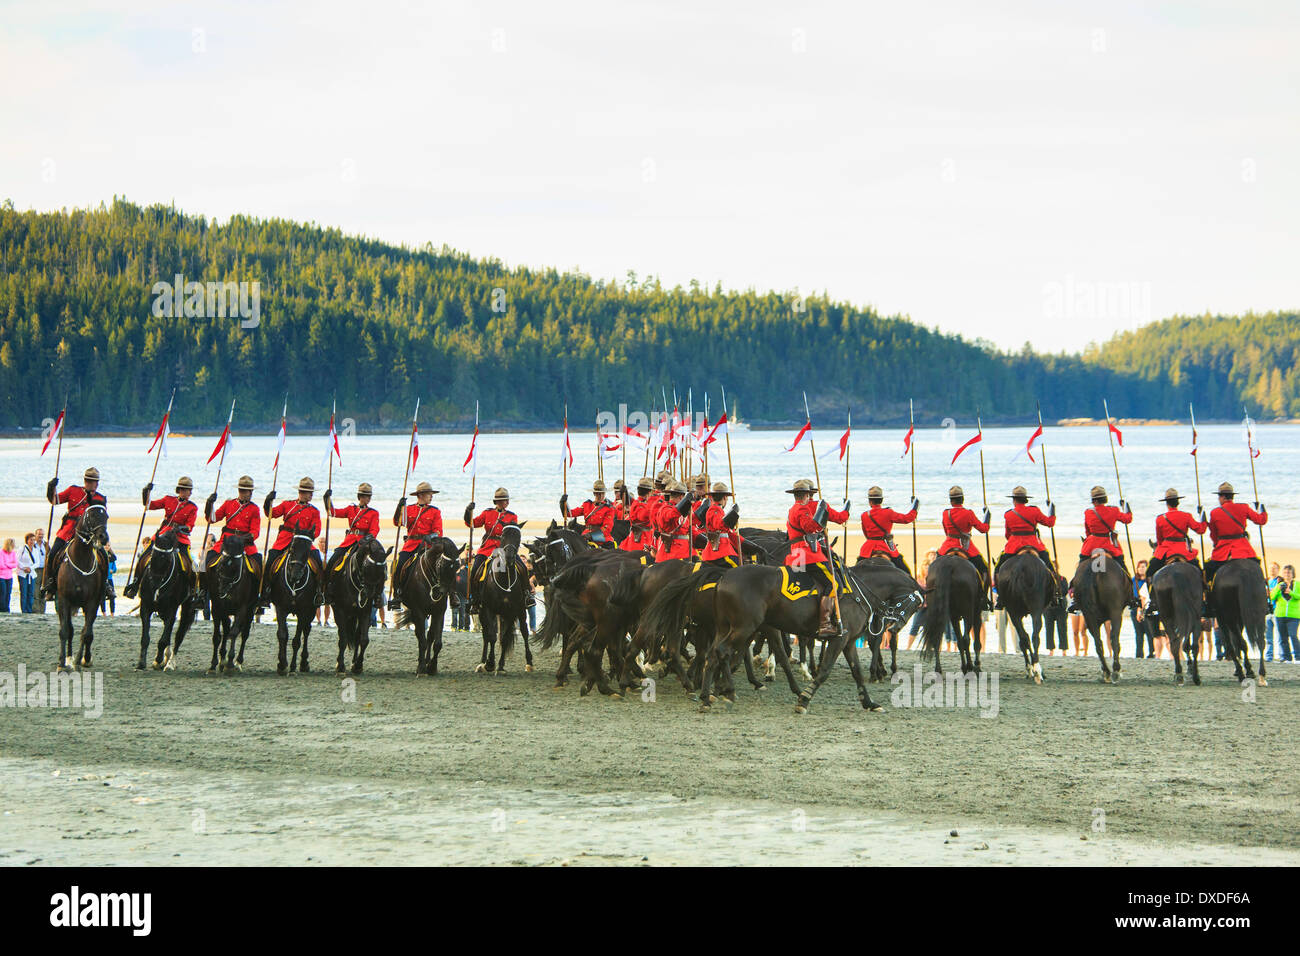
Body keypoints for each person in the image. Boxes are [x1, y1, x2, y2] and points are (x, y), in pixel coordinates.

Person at [784, 478, 850, 638]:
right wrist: (825, 517)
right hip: (808, 554)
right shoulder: (803, 509)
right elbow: (811, 527)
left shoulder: (793, 508)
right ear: (807, 495)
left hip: (796, 554)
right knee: (834, 585)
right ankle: (825, 624)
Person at [124, 476, 201, 606]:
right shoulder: (168, 500)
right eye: (188, 490)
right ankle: (135, 584)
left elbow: (189, 527)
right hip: (163, 535)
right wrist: (146, 492)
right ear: (181, 490)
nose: (190, 493)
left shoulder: (192, 507)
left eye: (190, 490)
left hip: (179, 538)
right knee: (143, 556)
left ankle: (194, 592)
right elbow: (149, 505)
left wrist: (181, 528)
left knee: (191, 563)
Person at [42, 466, 108, 600]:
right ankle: (50, 584)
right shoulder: (73, 490)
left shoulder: (101, 498)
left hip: (90, 534)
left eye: (94, 481)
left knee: (104, 557)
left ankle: (104, 587)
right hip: (69, 530)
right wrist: (51, 488)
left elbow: (101, 518)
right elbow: (54, 500)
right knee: (53, 554)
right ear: (85, 481)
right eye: (89, 481)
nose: (92, 484)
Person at [1069, 485, 1135, 616]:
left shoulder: (1088, 512)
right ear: (1105, 499)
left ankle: (1075, 597)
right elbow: (1128, 519)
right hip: (1109, 546)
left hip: (1092, 546)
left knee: (1081, 567)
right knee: (1123, 567)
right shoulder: (1114, 510)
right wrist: (1125, 506)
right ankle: (1131, 597)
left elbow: (1087, 531)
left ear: (1093, 501)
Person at [261, 477, 324, 607]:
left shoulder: (314, 511)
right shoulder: (287, 505)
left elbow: (316, 530)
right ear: (301, 492)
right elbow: (271, 514)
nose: (311, 495)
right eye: (308, 493)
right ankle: (265, 593)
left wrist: (308, 536)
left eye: (312, 493)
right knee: (270, 560)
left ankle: (319, 592)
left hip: (304, 542)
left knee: (317, 560)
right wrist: (268, 501)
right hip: (285, 539)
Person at [994, 485, 1058, 609]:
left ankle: (1001, 597)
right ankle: (1055, 594)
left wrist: (1014, 540)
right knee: (1050, 567)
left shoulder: (1008, 514)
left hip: (1014, 546)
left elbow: (1007, 534)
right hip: (1034, 545)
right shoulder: (1034, 510)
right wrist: (1052, 510)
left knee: (999, 569)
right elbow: (1050, 523)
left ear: (1014, 499)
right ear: (1025, 499)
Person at [1204, 481, 1267, 601]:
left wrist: (1218, 543)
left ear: (1222, 497)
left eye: (1219, 497)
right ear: (1232, 496)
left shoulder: (1215, 512)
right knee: (1257, 567)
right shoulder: (1244, 507)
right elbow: (1261, 520)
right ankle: (1263, 595)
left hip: (1223, 551)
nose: (1219, 499)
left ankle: (1209, 600)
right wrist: (1262, 510)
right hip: (1243, 549)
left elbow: (1213, 535)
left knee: (1209, 571)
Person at [463, 487, 521, 613]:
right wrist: (468, 511)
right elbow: (471, 523)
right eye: (501, 500)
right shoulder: (487, 513)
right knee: (474, 571)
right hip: (487, 548)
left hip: (504, 548)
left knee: (521, 567)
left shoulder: (512, 516)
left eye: (506, 500)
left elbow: (512, 533)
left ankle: (526, 595)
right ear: (496, 502)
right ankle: (475, 600)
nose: (504, 502)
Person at [323, 482, 381, 606]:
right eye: (365, 496)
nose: (368, 499)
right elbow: (333, 512)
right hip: (349, 541)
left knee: (379, 564)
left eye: (369, 496)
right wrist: (327, 499)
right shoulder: (351, 509)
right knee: (333, 560)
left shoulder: (373, 513)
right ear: (360, 497)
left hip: (364, 543)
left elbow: (375, 529)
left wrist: (368, 539)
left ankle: (378, 595)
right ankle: (327, 589)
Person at [206, 476, 261, 605]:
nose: (244, 493)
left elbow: (255, 532)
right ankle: (203, 593)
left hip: (244, 544)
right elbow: (212, 519)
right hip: (226, 542)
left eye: (246, 491)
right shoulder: (229, 504)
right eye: (241, 490)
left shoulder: (254, 509)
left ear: (251, 492)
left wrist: (243, 538)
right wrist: (209, 504)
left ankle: (257, 595)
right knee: (208, 559)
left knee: (258, 564)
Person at [936, 485, 992, 610]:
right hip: (966, 548)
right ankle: (984, 597)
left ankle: (932, 594)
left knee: (933, 568)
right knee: (984, 569)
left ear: (951, 500)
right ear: (963, 499)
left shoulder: (946, 513)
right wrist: (987, 517)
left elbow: (946, 531)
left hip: (948, 546)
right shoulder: (969, 513)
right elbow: (983, 529)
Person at [389, 481, 442, 610]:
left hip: (428, 546)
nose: (432, 497)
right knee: (399, 565)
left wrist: (431, 537)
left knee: (444, 567)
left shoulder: (435, 511)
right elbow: (398, 522)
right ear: (422, 495)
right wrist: (399, 508)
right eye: (430, 494)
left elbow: (438, 531)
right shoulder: (409, 509)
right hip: (411, 545)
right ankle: (398, 594)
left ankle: (449, 594)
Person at [857, 486, 917, 575]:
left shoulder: (864, 515)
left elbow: (866, 534)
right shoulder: (889, 512)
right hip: (888, 545)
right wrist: (914, 507)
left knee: (856, 571)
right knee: (906, 571)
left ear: (870, 501)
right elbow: (907, 519)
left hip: (869, 547)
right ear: (881, 500)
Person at [696, 482, 741, 569]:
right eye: (726, 498)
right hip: (719, 551)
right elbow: (719, 525)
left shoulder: (718, 509)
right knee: (738, 568)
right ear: (725, 497)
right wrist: (733, 514)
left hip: (723, 548)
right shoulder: (714, 509)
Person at [561, 480, 616, 547]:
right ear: (594, 493)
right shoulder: (587, 505)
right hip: (585, 535)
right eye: (598, 493)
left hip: (601, 537)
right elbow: (569, 514)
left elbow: (607, 528)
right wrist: (563, 504)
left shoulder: (609, 509)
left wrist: (591, 535)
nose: (601, 496)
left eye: (602, 493)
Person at [652, 481, 694, 562]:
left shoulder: (681, 511)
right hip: (673, 552)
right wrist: (685, 503)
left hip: (685, 550)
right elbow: (671, 515)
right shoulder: (665, 509)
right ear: (682, 497)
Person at [620, 477, 658, 554]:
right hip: (643, 539)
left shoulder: (637, 502)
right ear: (649, 492)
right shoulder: (642, 505)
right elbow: (643, 516)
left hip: (637, 537)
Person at [1270, 565, 1299, 663]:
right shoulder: (1279, 584)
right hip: (1280, 615)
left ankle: (1298, 657)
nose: (1287, 574)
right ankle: (1287, 658)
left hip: (1294, 615)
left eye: (1289, 572)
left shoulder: (1297, 584)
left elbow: (1298, 596)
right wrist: (1278, 588)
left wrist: (1291, 593)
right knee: (1283, 637)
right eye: (1285, 572)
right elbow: (1272, 597)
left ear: (1292, 574)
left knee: (1293, 635)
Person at [1042, 570, 1069, 656]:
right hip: (1048, 607)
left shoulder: (1062, 579)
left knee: (1062, 628)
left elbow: (1064, 591)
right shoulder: (1044, 580)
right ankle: (1051, 649)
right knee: (1049, 628)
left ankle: (1064, 649)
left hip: (1061, 607)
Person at [1131, 560, 1152, 658]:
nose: (1141, 569)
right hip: (1136, 608)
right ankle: (1139, 654)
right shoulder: (1134, 580)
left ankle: (1152, 652)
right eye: (1139, 567)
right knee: (1138, 633)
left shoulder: (1149, 580)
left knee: (1149, 632)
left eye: (1143, 567)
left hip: (1147, 608)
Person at [1265, 562, 1282, 662]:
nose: (1272, 570)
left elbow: (1276, 593)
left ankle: (1281, 655)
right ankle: (1269, 656)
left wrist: (1270, 592)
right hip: (1267, 611)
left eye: (1275, 568)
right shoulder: (1265, 581)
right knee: (1268, 636)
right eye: (1271, 568)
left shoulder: (1280, 581)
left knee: (1279, 635)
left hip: (1277, 610)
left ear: (1278, 570)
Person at [17, 533, 36, 613]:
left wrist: (30, 568)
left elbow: (37, 562)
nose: (32, 541)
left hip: (32, 574)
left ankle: (29, 609)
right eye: (31, 539)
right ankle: (24, 610)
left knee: (31, 593)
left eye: (33, 540)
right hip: (22, 573)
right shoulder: (22, 549)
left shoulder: (36, 550)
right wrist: (24, 568)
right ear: (27, 540)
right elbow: (17, 560)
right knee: (24, 592)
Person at [31, 529, 47, 614]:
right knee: (35, 590)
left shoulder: (46, 544)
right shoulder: (33, 545)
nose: (40, 536)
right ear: (35, 535)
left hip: (44, 570)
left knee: (43, 590)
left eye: (42, 534)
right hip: (36, 569)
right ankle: (35, 609)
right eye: (39, 534)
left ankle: (42, 610)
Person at [0, 538, 17, 612]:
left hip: (9, 576)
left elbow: (15, 564)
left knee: (8, 593)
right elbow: (1, 565)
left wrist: (7, 564)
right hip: (1, 576)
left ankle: (7, 608)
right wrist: (10, 564)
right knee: (2, 593)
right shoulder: (1, 552)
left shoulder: (13, 553)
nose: (14, 546)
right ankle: (2, 608)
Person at [101, 547, 117, 615]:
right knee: (102, 596)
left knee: (112, 596)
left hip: (110, 579)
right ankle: (104, 612)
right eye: (105, 545)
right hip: (102, 580)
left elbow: (115, 568)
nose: (107, 547)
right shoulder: (101, 555)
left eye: (108, 545)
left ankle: (112, 613)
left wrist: (112, 570)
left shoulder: (112, 556)